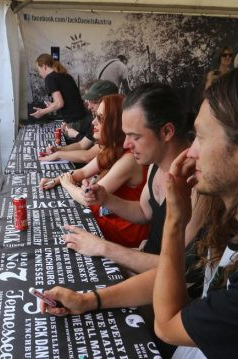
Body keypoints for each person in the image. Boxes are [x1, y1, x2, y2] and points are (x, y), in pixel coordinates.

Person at [42, 56, 238, 359]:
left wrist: (175, 218)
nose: (191, 152)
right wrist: (90, 299)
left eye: (201, 137)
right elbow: (174, 275)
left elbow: (168, 322)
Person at [62, 83, 202, 274]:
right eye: (126, 134)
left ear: (167, 132)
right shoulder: (155, 164)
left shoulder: (197, 186)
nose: (127, 143)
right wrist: (106, 198)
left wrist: (103, 247)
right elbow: (144, 212)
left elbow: (173, 267)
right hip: (142, 261)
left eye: (134, 136)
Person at [40, 94, 149, 248]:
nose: (93, 122)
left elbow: (88, 199)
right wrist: (56, 180)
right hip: (111, 219)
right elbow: (83, 172)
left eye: (100, 118)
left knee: (61, 230)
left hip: (125, 231)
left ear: (115, 123)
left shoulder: (129, 159)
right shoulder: (110, 148)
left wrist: (67, 184)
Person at [40, 80, 118, 165]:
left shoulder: (116, 128)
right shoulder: (97, 120)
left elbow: (87, 157)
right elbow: (82, 145)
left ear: (110, 102)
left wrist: (58, 154)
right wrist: (58, 150)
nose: (89, 106)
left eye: (94, 102)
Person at [31, 54, 88, 133]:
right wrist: (52, 105)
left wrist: (42, 112)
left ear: (44, 66)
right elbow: (69, 99)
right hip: (83, 118)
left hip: (74, 122)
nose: (39, 73)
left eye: (38, 69)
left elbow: (59, 103)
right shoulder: (66, 75)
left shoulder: (50, 78)